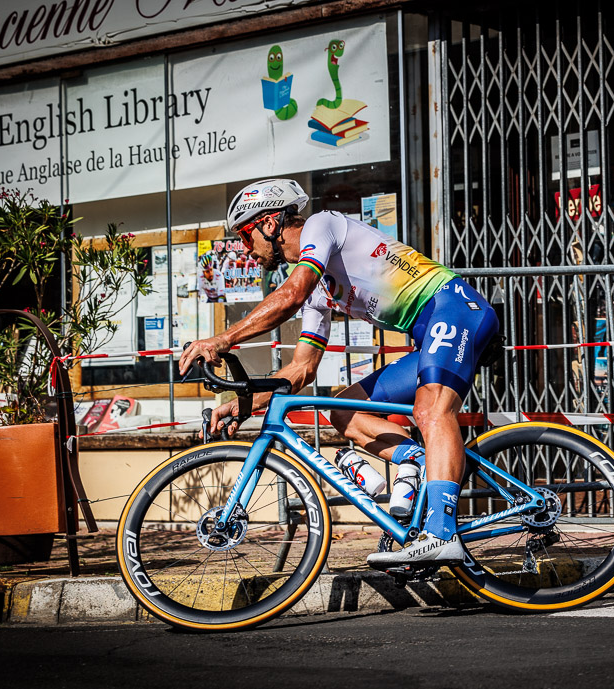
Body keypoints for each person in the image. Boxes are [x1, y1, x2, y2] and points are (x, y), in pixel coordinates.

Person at [179, 179, 499, 569]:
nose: (245, 250)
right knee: (344, 412)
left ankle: (441, 533)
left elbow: (291, 295)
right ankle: (417, 461)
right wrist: (245, 405)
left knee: (431, 410)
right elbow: (302, 369)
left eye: (246, 236)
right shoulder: (317, 290)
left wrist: (223, 339)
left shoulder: (321, 226)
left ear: (269, 223)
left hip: (454, 307)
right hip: (428, 331)